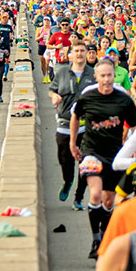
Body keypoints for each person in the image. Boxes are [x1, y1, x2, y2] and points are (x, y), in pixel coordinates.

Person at [70, 59, 136, 258]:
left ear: (114, 75)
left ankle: (104, 236)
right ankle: (95, 240)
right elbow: (76, 117)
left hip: (115, 154)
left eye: (109, 75)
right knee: (95, 194)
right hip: (91, 151)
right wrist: (73, 143)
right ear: (96, 77)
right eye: (102, 76)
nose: (106, 79)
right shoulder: (88, 97)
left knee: (109, 201)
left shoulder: (123, 100)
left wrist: (134, 147)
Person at [48, 39, 95, 209]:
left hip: (86, 125)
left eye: (82, 51)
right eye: (76, 51)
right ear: (71, 54)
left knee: (85, 163)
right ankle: (68, 181)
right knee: (65, 160)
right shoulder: (61, 72)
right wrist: (54, 96)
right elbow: (51, 89)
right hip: (64, 123)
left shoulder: (93, 74)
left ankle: (78, 198)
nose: (80, 54)